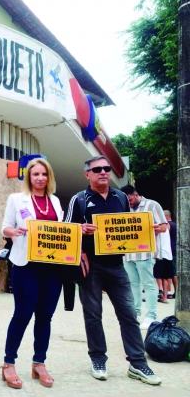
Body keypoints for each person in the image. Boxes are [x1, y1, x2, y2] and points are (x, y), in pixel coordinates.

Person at [65, 156, 161, 385]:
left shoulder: (121, 197)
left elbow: (128, 228)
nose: (103, 172)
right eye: (97, 169)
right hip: (92, 268)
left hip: (118, 266)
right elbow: (65, 230)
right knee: (93, 315)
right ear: (87, 174)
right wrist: (80, 229)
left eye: (106, 168)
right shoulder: (78, 199)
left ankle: (138, 363)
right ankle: (98, 359)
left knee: (129, 315)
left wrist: (149, 231)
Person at [0, 158, 63, 389]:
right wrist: (14, 231)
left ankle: (39, 363)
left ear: (49, 177)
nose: (40, 178)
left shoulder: (55, 202)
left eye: (44, 174)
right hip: (26, 265)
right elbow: (4, 226)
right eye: (35, 174)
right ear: (29, 177)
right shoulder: (16, 199)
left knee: (45, 316)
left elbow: (61, 231)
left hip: (52, 267)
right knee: (23, 314)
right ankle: (8, 363)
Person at [119, 185, 168, 329]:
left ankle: (151, 316)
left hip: (145, 252)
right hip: (128, 253)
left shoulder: (152, 205)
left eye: (130, 199)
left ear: (136, 194)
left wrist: (155, 228)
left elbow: (164, 227)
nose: (129, 203)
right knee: (133, 284)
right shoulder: (124, 207)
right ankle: (136, 313)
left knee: (148, 284)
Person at [154, 211, 174, 304]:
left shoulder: (158, 227)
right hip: (168, 254)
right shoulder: (168, 226)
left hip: (160, 254)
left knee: (158, 275)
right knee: (166, 277)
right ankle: (164, 297)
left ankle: (160, 290)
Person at [164, 210, 177, 299]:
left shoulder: (168, 225)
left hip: (170, 250)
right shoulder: (175, 224)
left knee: (171, 273)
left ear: (166, 216)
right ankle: (175, 291)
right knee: (173, 272)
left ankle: (170, 291)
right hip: (175, 248)